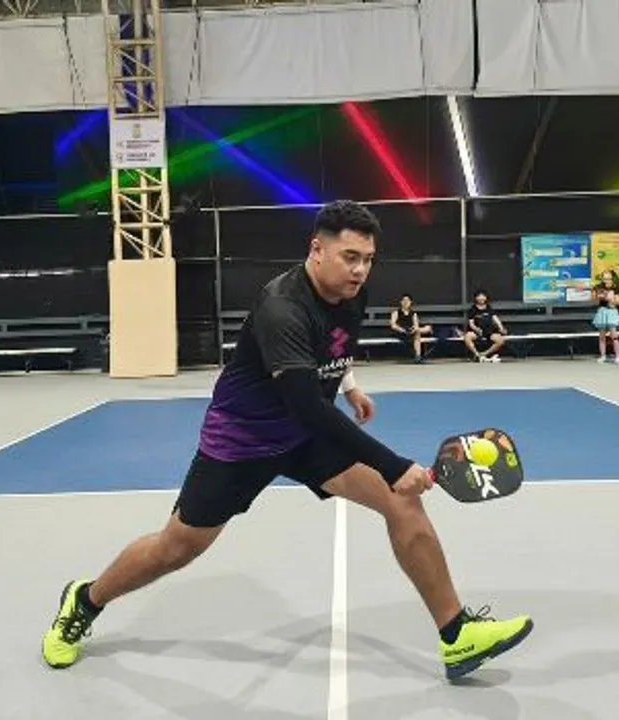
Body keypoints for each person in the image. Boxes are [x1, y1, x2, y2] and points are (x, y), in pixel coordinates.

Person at [41, 200, 533, 681]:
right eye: (350, 257)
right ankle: (85, 600)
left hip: (304, 440)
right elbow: (307, 406)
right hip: (242, 442)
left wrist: (349, 385)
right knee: (176, 548)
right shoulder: (282, 307)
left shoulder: (351, 294)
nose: (360, 270)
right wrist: (392, 463)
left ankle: (456, 634)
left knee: (401, 502)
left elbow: (331, 348)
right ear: (316, 249)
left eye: (368, 259)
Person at [464, 290, 508, 363]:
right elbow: (471, 323)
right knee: (467, 337)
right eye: (479, 296)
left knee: (500, 340)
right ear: (476, 298)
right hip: (477, 332)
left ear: (486, 298)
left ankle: (483, 354)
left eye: (483, 296)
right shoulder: (472, 309)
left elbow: (496, 319)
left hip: (489, 331)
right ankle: (476, 354)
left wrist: (501, 328)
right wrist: (476, 329)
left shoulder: (489, 308)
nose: (481, 298)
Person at [389, 293, 432, 363]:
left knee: (418, 332)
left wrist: (413, 329)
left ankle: (418, 357)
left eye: (407, 300)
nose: (405, 302)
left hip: (410, 331)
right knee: (420, 332)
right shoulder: (396, 313)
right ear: (401, 302)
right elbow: (393, 325)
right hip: (400, 332)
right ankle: (418, 356)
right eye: (404, 300)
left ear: (410, 302)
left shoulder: (413, 314)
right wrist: (402, 330)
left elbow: (416, 325)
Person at [591, 269, 619, 363]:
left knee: (614, 336)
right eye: (604, 278)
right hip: (602, 311)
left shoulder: (615, 288)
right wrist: (597, 295)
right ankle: (603, 356)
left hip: (611, 312)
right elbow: (594, 297)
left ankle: (617, 356)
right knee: (602, 336)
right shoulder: (599, 287)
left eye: (608, 278)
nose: (606, 280)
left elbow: (617, 301)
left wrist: (610, 299)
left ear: (612, 279)